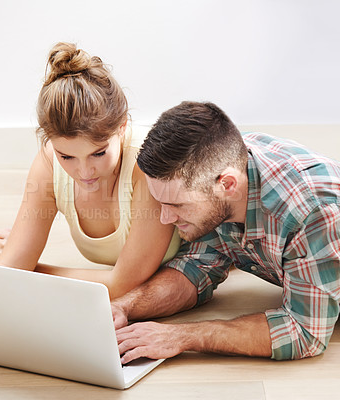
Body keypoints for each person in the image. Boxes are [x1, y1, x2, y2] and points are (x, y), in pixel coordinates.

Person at [0, 43, 180, 359]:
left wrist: (30, 271)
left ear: (122, 128)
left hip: (206, 252)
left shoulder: (145, 164)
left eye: (98, 153)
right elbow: (8, 271)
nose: (84, 171)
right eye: (67, 155)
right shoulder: (49, 164)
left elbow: (122, 283)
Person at [112, 101, 340, 364]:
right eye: (161, 203)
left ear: (228, 185)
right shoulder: (217, 167)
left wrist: (181, 336)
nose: (165, 218)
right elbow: (195, 268)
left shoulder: (311, 212)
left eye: (176, 205)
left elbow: (303, 332)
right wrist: (123, 307)